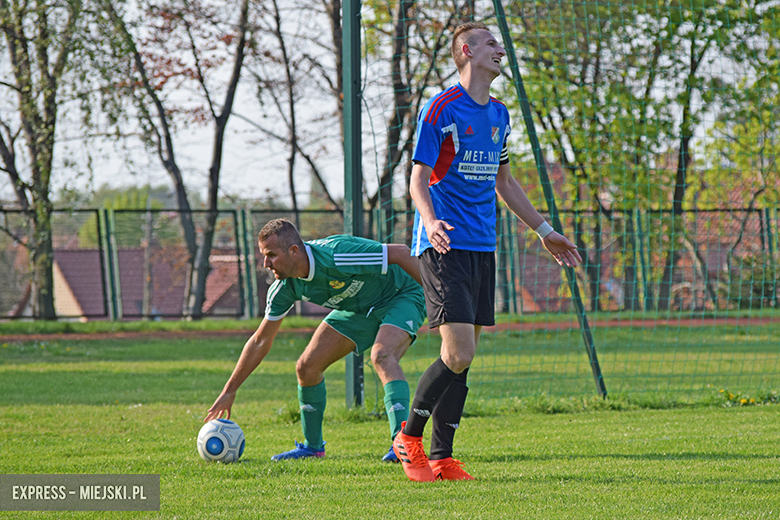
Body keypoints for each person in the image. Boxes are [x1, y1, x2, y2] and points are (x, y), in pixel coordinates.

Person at [392, 22, 583, 482]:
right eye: (491, 42)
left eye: (500, 43)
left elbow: (505, 182)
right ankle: (408, 438)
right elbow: (418, 178)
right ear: (466, 51)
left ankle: (442, 457)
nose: (501, 49)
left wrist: (544, 230)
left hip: (482, 246)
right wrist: (431, 220)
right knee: (457, 352)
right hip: (443, 245)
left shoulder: (499, 114)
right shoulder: (441, 109)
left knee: (466, 353)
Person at [205, 218, 426, 462]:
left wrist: (438, 297)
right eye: (264, 256)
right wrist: (229, 390)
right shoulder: (284, 287)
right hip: (357, 308)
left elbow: (401, 253)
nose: (266, 264)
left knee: (382, 356)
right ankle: (312, 448)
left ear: (294, 251)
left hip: (402, 293)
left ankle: (402, 444)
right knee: (307, 367)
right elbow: (260, 341)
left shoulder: (338, 255)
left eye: (271, 255)